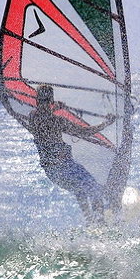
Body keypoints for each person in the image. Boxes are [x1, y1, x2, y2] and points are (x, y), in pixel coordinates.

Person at [26, 84, 110, 222]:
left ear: (37, 101)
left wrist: (55, 108)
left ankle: (89, 221)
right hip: (65, 168)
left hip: (52, 172)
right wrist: (107, 123)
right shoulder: (56, 121)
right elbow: (85, 132)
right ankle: (100, 224)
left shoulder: (32, 117)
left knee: (80, 189)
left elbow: (42, 115)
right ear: (51, 101)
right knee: (95, 190)